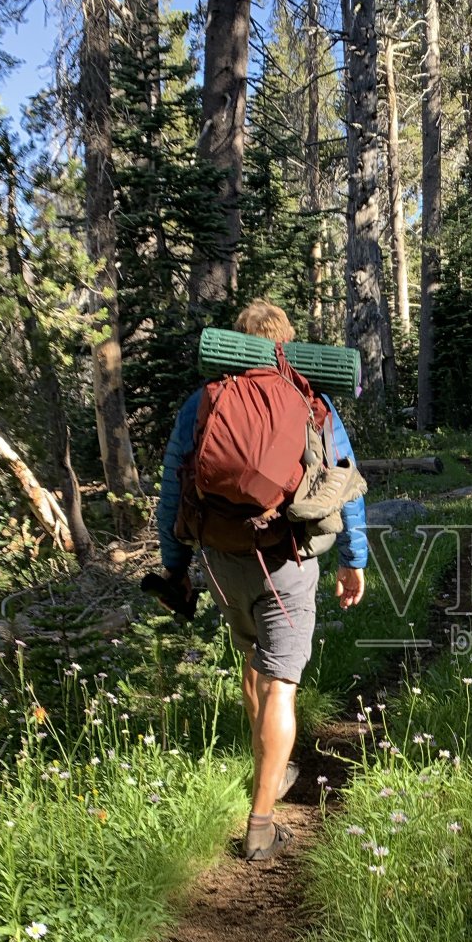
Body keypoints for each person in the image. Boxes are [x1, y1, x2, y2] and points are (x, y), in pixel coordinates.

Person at [156, 300, 367, 860]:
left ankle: (267, 769)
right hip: (288, 559)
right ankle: (261, 823)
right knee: (283, 683)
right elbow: (345, 484)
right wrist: (354, 559)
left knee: (254, 663)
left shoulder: (203, 402)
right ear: (288, 346)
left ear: (237, 344)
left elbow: (174, 488)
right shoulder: (311, 401)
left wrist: (174, 565)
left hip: (223, 559)